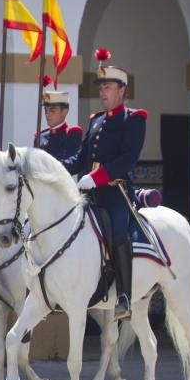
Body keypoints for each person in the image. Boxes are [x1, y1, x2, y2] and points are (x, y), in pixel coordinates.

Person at [62, 49, 146, 320]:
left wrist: (95, 177)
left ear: (122, 90)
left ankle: (124, 296)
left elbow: (126, 161)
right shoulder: (96, 121)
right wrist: (52, 166)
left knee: (119, 234)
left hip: (116, 193)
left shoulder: (133, 119)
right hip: (91, 194)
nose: (102, 92)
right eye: (101, 88)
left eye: (108, 87)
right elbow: (81, 158)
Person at [37, 76, 83, 161]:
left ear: (64, 112)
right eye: (46, 111)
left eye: (52, 111)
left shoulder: (71, 134)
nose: (48, 115)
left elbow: (66, 158)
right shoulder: (40, 136)